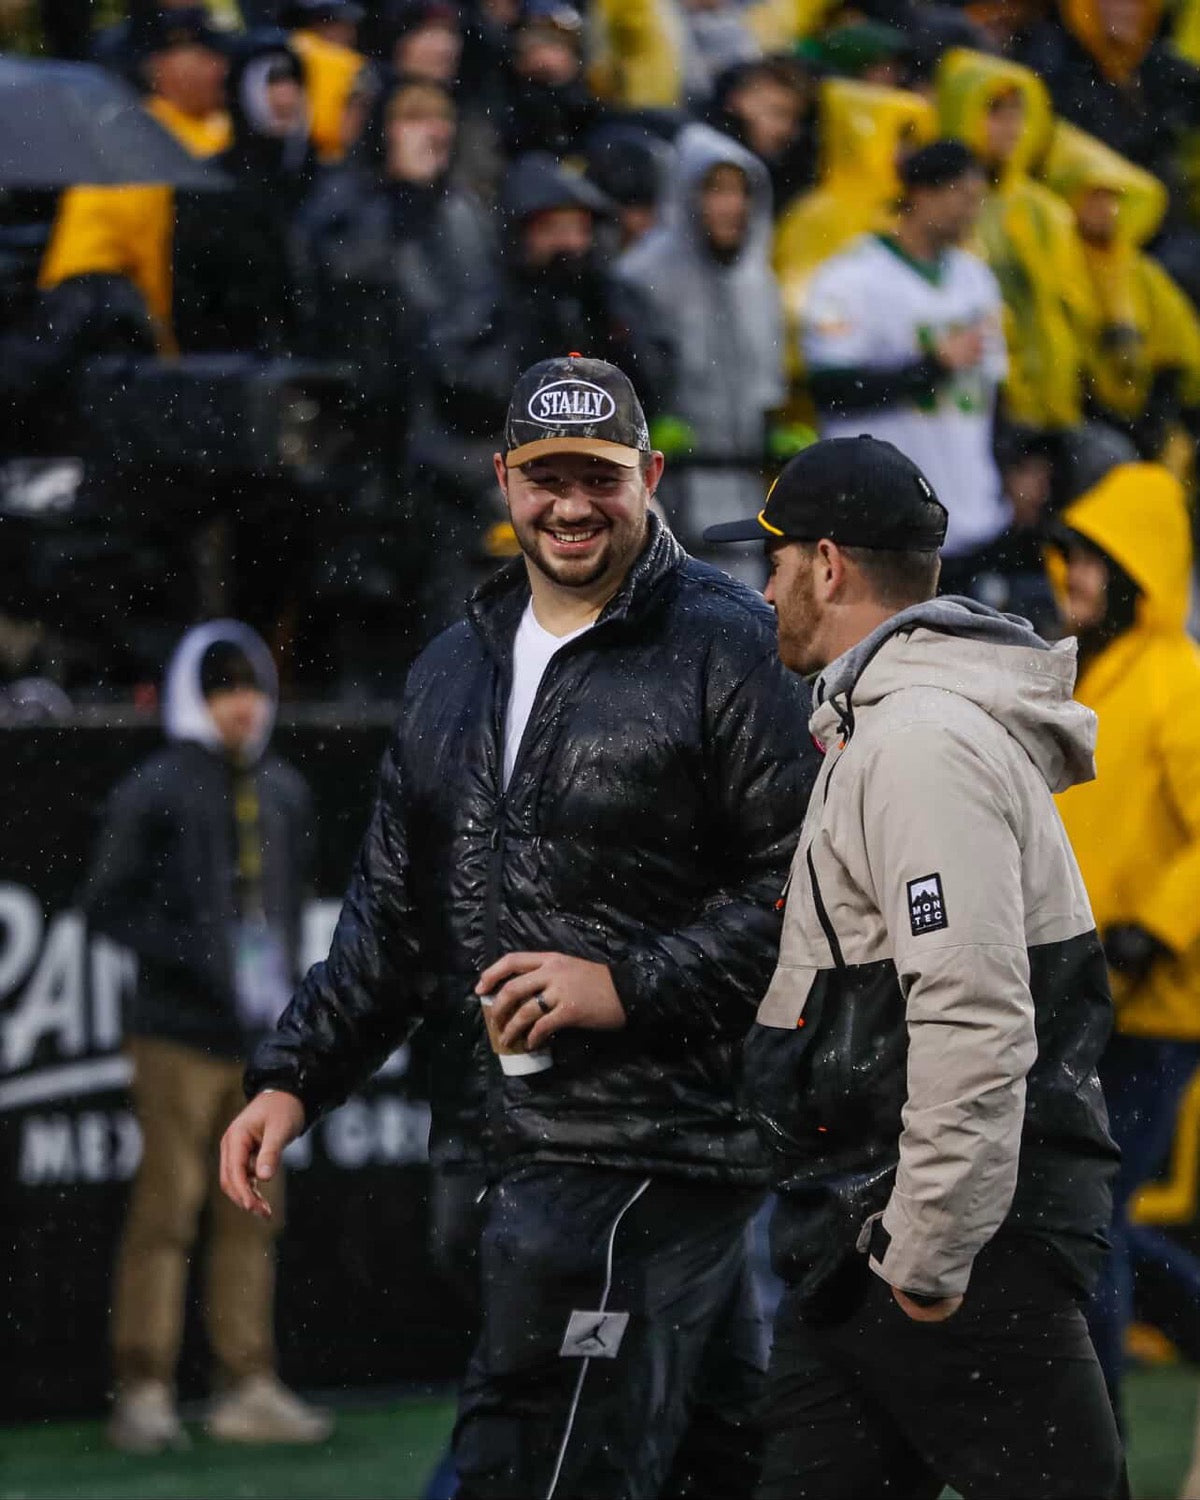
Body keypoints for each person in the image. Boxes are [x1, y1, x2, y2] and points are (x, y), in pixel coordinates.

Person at [221, 356, 817, 1499]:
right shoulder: (456, 664)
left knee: (535, 1462)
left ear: (650, 475)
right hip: (506, 1153)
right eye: (547, 476)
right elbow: (391, 917)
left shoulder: (735, 643)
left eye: (599, 476)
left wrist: (625, 984)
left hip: (657, 1154)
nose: (572, 504)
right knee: (725, 1470)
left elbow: (808, 892)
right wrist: (293, 1076)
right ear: (504, 481)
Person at [704, 436, 1124, 1500]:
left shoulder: (920, 744)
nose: (768, 588)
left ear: (830, 566)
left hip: (952, 1240)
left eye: (779, 559)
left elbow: (973, 1011)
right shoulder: (895, 729)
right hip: (872, 1235)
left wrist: (927, 1253)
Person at [82, 622, 328, 1453]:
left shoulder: (286, 788)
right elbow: (107, 902)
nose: (242, 708)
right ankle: (144, 1388)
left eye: (254, 689)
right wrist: (196, 960)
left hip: (261, 1044)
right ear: (197, 694)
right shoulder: (154, 786)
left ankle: (246, 1383)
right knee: (169, 1209)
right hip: (178, 1037)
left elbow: (293, 905)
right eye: (225, 690)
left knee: (252, 1213)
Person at [1052, 462, 1200, 1427]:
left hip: (1147, 1008)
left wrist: (1157, 923)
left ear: (1135, 570)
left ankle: (1085, 1439)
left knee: (1088, 1222)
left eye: (1090, 561)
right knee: (1074, 1218)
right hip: (1078, 991)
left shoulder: (1179, 678)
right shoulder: (1083, 672)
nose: (1069, 574)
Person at [801, 141, 1010, 590]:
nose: (973, 211)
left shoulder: (977, 278)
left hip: (971, 512)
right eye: (963, 196)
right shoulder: (851, 278)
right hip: (882, 524)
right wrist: (928, 368)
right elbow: (829, 388)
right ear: (922, 192)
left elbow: (995, 392)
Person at [616, 123, 784, 583]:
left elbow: (768, 379)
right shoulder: (641, 276)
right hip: (669, 488)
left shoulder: (760, 283)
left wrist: (775, 428)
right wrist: (649, 423)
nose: (732, 205)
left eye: (741, 190)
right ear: (685, 193)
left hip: (745, 486)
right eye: (716, 189)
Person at [38, 7, 232, 353]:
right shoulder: (128, 142)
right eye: (201, 54)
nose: (217, 67)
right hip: (172, 363)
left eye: (218, 55)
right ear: (159, 65)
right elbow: (81, 273)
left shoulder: (240, 130)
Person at [936, 47, 1096, 434]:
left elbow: (1073, 311)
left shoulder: (1045, 210)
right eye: (995, 112)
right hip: (972, 404)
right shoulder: (938, 204)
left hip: (1052, 413)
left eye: (1017, 114)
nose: (1010, 127)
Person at [1042, 123, 1200, 471]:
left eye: (1114, 197)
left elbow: (1178, 347)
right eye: (1096, 196)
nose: (1108, 209)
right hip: (1085, 417)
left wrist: (1157, 413)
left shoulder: (1139, 271)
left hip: (1147, 416)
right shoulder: (1057, 265)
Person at [172, 30, 318, 355]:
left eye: (294, 82)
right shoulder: (209, 184)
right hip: (235, 360)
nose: (286, 96)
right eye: (271, 82)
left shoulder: (322, 175)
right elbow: (193, 297)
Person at [771, 78, 935, 362]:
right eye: (899, 139)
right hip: (831, 382)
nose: (908, 154)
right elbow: (800, 304)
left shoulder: (904, 213)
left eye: (912, 142)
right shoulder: (818, 215)